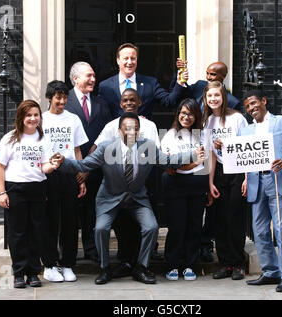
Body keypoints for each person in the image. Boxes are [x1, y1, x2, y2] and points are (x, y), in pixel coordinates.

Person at [51, 112, 204, 285]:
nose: (132, 133)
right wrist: (63, 162)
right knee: (101, 229)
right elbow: (84, 165)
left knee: (152, 227)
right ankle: (105, 268)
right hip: (109, 198)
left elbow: (169, 160)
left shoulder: (148, 147)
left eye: (136, 129)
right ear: (119, 131)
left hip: (137, 197)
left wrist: (192, 155)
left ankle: (141, 267)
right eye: (127, 129)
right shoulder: (106, 148)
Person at [172, 60, 242, 262]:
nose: (209, 78)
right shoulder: (198, 89)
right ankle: (194, 245)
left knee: (218, 209)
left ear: (223, 78)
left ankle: (206, 244)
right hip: (195, 151)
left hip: (220, 165)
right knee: (201, 203)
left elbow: (242, 142)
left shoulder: (235, 108)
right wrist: (180, 76)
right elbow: (176, 97)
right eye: (208, 74)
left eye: (214, 76)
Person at [240, 90, 282, 292]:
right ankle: (270, 272)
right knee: (259, 231)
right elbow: (242, 157)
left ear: (263, 101)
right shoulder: (246, 131)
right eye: (248, 106)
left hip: (278, 180)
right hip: (255, 181)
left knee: (281, 230)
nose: (251, 108)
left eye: (253, 103)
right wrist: (244, 178)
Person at [92, 88, 161, 278]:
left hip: (139, 187)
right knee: (120, 229)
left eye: (133, 100)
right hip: (115, 189)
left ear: (139, 102)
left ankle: (141, 266)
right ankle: (121, 263)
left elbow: (158, 156)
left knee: (148, 226)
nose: (129, 103)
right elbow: (95, 150)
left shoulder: (149, 126)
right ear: (121, 104)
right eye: (125, 100)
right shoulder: (111, 126)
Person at [0, 100, 58, 288]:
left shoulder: (43, 139)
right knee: (18, 233)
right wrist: (1, 192)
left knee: (36, 231)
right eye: (28, 115)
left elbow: (44, 167)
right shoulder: (10, 138)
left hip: (37, 188)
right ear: (21, 117)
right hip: (15, 189)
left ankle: (33, 272)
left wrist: (52, 166)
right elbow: (0, 167)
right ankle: (19, 273)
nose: (32, 118)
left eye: (36, 115)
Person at [42, 80, 89, 282]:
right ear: (49, 98)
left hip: (69, 173)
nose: (62, 101)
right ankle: (50, 265)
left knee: (70, 222)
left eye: (64, 97)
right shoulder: (41, 119)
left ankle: (68, 264)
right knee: (50, 221)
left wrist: (82, 178)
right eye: (58, 97)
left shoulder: (73, 119)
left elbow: (77, 149)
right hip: (48, 175)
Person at [65, 61, 112, 262]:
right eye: (88, 76)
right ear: (76, 78)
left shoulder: (101, 103)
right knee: (68, 212)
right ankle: (68, 253)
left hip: (95, 167)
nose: (93, 79)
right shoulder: (64, 102)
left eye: (94, 75)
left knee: (92, 209)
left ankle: (91, 249)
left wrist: (89, 166)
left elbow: (107, 136)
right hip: (69, 168)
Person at [161, 98, 211, 281]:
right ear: (178, 114)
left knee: (194, 226)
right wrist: (192, 162)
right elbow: (171, 165)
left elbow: (205, 162)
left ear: (196, 116)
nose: (186, 117)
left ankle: (190, 264)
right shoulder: (170, 135)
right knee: (177, 226)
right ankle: (172, 264)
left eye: (190, 114)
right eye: (183, 113)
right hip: (175, 185)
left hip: (197, 184)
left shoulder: (202, 135)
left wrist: (188, 164)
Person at [203, 81, 248, 280]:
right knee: (219, 218)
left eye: (217, 95)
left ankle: (238, 264)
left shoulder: (237, 118)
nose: (213, 99)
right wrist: (210, 182)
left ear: (224, 97)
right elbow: (211, 154)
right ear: (205, 99)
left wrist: (247, 178)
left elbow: (247, 147)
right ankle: (225, 263)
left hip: (238, 170)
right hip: (219, 171)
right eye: (209, 96)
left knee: (235, 218)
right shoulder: (207, 123)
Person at [98, 42, 188, 120]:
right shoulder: (106, 86)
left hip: (143, 135)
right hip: (116, 136)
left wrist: (179, 82)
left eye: (133, 58)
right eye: (125, 58)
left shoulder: (150, 83)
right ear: (118, 60)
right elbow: (102, 114)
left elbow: (169, 101)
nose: (129, 62)